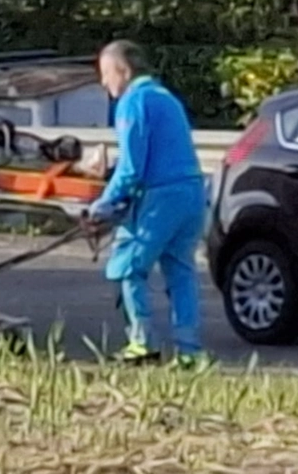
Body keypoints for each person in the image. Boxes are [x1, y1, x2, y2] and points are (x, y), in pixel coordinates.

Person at [85, 40, 207, 366]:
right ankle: (189, 351)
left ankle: (142, 343)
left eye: (106, 73)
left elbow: (132, 167)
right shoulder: (166, 98)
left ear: (123, 71)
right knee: (180, 271)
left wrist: (102, 205)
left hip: (160, 197)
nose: (103, 82)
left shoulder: (133, 102)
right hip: (192, 192)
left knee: (128, 268)